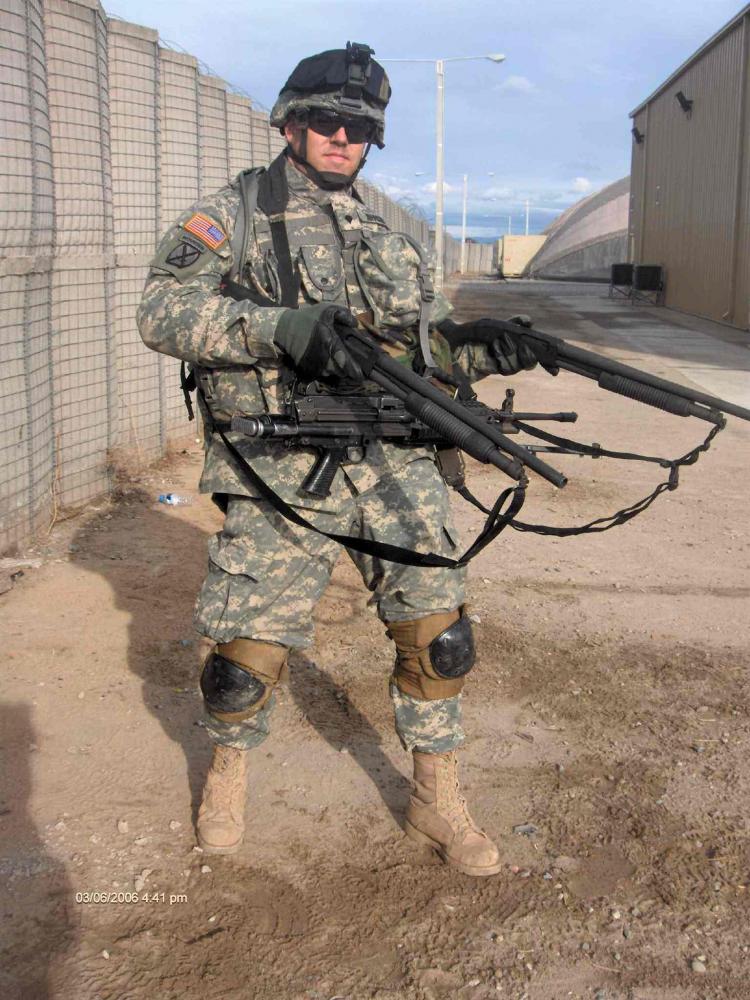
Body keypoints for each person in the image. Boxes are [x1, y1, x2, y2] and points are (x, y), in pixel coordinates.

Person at [137, 42, 536, 877]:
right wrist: (276, 329)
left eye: (358, 128)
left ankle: (435, 793)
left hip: (392, 460)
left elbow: (421, 355)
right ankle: (230, 775)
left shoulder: (387, 239)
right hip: (278, 465)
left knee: (440, 632)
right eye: (325, 120)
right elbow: (163, 312)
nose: (340, 136)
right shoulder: (236, 212)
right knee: (246, 649)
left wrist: (476, 349)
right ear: (289, 121)